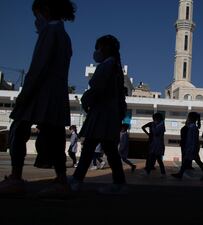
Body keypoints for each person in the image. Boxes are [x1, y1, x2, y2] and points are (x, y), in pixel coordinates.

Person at [0, 0, 76, 195]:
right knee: (56, 137)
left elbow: (38, 66)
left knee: (19, 130)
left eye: (36, 15)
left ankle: (16, 178)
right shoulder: (65, 36)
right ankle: (61, 181)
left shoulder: (49, 32)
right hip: (56, 94)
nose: (36, 20)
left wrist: (26, 93)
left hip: (40, 92)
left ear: (45, 11)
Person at [70, 35, 128, 194]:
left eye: (98, 47)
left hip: (101, 113)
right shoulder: (115, 67)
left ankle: (77, 181)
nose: (96, 52)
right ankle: (119, 183)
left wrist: (86, 99)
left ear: (105, 48)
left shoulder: (106, 66)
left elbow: (97, 88)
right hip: (109, 114)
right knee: (108, 150)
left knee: (90, 148)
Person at [172, 112, 203, 180]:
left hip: (192, 148)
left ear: (191, 118)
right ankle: (180, 174)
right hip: (192, 148)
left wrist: (191, 148)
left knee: (195, 161)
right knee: (190, 161)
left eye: (188, 117)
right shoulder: (192, 127)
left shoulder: (193, 128)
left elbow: (193, 140)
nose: (187, 118)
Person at [142, 112, 166, 177]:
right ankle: (149, 172)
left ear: (158, 118)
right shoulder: (158, 125)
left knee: (156, 159)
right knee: (153, 159)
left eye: (155, 119)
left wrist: (153, 127)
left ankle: (150, 172)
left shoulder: (161, 125)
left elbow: (156, 133)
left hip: (158, 145)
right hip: (155, 144)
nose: (154, 120)